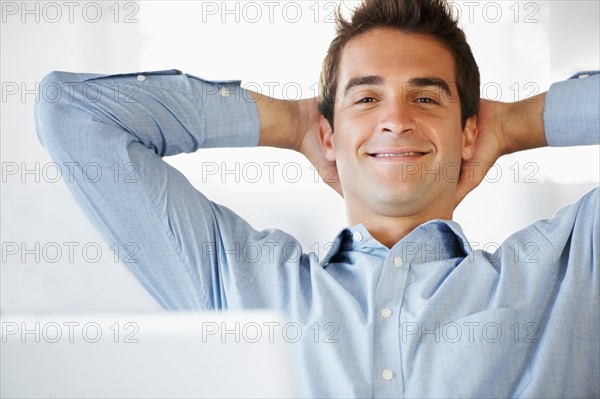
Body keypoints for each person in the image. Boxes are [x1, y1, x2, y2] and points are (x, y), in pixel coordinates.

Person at [34, 0, 598, 397]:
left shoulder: (566, 272)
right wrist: (290, 121)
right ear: (329, 136)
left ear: (468, 132)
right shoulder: (241, 282)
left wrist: (519, 122)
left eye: (425, 98)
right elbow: (74, 113)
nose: (396, 121)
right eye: (366, 98)